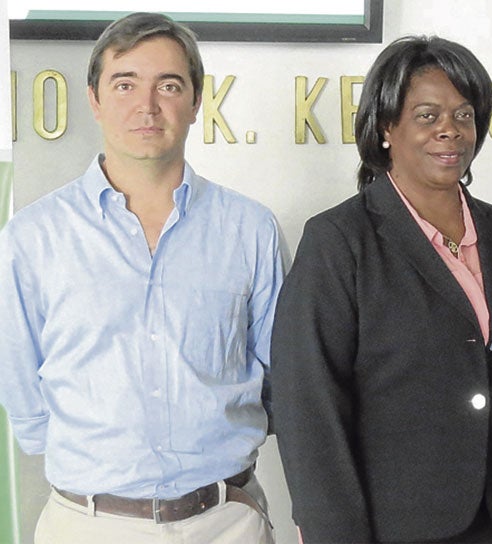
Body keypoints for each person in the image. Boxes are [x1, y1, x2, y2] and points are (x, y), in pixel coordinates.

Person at [0, 12, 283, 544]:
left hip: (227, 523)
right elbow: (22, 392)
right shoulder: (33, 236)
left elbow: (278, 379)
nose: (147, 105)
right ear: (94, 99)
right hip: (86, 526)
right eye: (125, 84)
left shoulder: (250, 229)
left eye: (169, 86)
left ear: (196, 102)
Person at [271, 35, 492, 543]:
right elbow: (309, 408)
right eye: (427, 115)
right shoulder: (339, 240)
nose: (450, 130)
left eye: (463, 115)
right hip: (394, 527)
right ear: (385, 128)